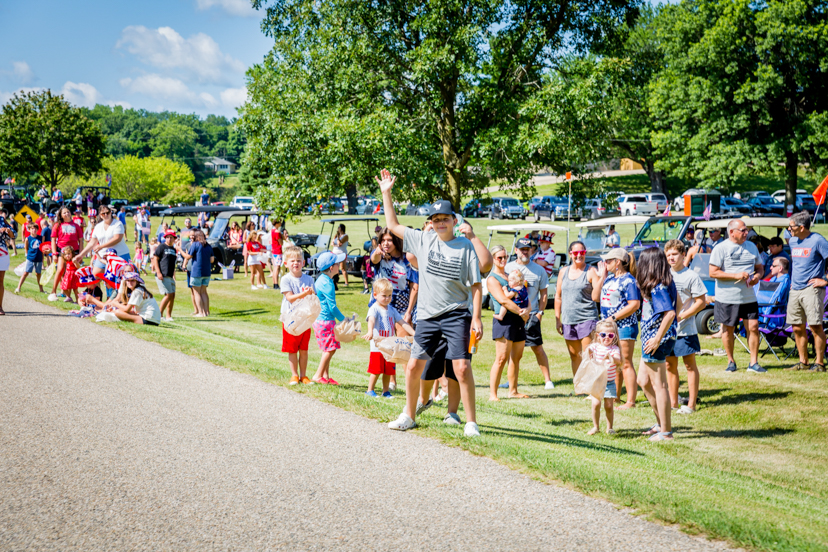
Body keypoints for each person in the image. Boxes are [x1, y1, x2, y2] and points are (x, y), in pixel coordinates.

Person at [379, 170, 482, 437]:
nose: (439, 223)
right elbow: (392, 224)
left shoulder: (464, 247)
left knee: (461, 367)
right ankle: (408, 415)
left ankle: (470, 422)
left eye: (444, 219)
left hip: (457, 315)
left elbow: (476, 285)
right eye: (435, 219)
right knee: (413, 366)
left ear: (453, 220)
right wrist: (386, 192)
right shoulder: (423, 240)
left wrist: (477, 318)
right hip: (427, 317)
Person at [709, 219, 765, 373]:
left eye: (746, 230)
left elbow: (760, 268)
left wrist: (757, 278)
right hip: (727, 297)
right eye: (743, 230)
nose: (746, 233)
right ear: (731, 232)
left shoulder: (752, 247)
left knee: (753, 327)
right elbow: (713, 272)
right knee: (728, 329)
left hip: (749, 297)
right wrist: (736, 276)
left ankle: (753, 363)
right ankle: (731, 361)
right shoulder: (720, 248)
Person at [636, 247, 680, 442]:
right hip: (653, 338)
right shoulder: (664, 283)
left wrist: (657, 338)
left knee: (659, 385)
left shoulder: (659, 286)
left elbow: (670, 313)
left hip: (656, 340)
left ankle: (666, 432)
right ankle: (661, 423)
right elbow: (677, 306)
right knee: (643, 381)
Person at [594, 248, 641, 410]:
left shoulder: (629, 281)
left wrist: (613, 318)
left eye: (608, 261)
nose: (605, 264)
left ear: (617, 262)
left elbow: (634, 304)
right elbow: (595, 297)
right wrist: (601, 277)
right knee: (613, 362)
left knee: (625, 363)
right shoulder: (608, 279)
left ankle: (631, 401)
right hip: (610, 329)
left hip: (624, 326)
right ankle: (615, 397)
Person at [507, 238, 556, 389]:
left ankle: (548, 381)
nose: (525, 252)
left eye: (528, 249)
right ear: (516, 250)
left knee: (537, 347)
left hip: (531, 315)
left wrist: (540, 313)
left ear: (532, 251)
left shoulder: (538, 270)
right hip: (512, 315)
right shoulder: (508, 268)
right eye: (522, 249)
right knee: (511, 350)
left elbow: (544, 294)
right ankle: (510, 381)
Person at [665, 240, 707, 414]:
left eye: (674, 254)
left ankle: (691, 404)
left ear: (683, 255)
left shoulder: (691, 276)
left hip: (686, 329)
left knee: (689, 366)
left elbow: (701, 302)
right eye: (668, 255)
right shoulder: (664, 275)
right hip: (667, 330)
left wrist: (683, 315)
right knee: (669, 366)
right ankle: (673, 402)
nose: (671, 258)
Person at [487, 245, 531, 401]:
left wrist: (528, 310)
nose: (504, 260)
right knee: (501, 358)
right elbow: (503, 300)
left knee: (516, 357)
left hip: (518, 320)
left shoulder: (511, 276)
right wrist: (521, 312)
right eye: (500, 257)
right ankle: (493, 394)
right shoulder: (492, 279)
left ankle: (513, 391)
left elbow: (525, 296)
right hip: (504, 320)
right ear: (493, 258)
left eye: (506, 257)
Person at [785, 212, 828, 371]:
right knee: (796, 326)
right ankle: (803, 362)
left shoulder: (818, 240)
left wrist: (825, 280)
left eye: (791, 226)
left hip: (812, 289)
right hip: (794, 289)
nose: (789, 229)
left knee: (815, 326)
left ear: (802, 227)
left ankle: (819, 363)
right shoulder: (793, 241)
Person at [363, 278, 416, 398]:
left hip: (390, 348)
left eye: (389, 295)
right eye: (384, 296)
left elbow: (402, 323)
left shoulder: (392, 310)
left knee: (388, 370)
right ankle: (370, 390)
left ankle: (385, 391)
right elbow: (371, 320)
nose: (387, 298)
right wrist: (370, 332)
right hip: (378, 347)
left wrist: (414, 333)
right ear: (375, 295)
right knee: (376, 370)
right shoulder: (374, 308)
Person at [555, 241, 602, 376]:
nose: (578, 256)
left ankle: (591, 387)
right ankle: (579, 387)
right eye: (575, 253)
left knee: (588, 355)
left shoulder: (591, 271)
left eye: (581, 252)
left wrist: (602, 276)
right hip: (569, 320)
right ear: (570, 254)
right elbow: (558, 297)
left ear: (585, 253)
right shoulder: (563, 272)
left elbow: (597, 296)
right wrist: (558, 319)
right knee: (574, 355)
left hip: (587, 318)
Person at [280, 245, 316, 385]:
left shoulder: (309, 279)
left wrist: (311, 292)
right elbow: (290, 298)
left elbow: (313, 297)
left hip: (305, 319)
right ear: (286, 263)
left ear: (303, 262)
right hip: (290, 319)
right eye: (292, 260)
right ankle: (294, 375)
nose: (296, 263)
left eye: (299, 260)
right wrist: (305, 293)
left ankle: (303, 375)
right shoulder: (285, 279)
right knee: (292, 349)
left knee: (304, 349)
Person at [311, 251, 347, 384]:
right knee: (330, 349)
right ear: (331, 267)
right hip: (325, 321)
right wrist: (344, 319)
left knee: (328, 349)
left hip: (322, 320)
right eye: (337, 263)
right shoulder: (327, 284)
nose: (340, 265)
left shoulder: (323, 279)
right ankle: (318, 375)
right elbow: (332, 307)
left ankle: (325, 376)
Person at [370, 227, 418, 325]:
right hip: (380, 307)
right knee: (381, 340)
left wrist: (409, 312)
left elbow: (414, 287)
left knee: (402, 340)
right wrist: (377, 252)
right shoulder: (380, 255)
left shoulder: (407, 260)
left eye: (389, 240)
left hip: (402, 308)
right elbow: (374, 259)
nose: (385, 243)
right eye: (383, 240)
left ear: (397, 241)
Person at [584, 319, 621, 436]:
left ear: (614, 336)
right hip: (597, 381)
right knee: (595, 404)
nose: (607, 338)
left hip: (609, 382)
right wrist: (588, 352)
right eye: (603, 335)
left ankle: (610, 428)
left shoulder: (614, 349)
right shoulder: (595, 346)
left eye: (610, 335)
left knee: (609, 406)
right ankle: (596, 426)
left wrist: (611, 357)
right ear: (598, 336)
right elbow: (587, 352)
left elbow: (619, 360)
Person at [84, 271, 161, 325]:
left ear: (137, 281)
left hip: (149, 319)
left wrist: (115, 304)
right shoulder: (138, 290)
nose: (130, 282)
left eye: (132, 281)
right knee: (116, 311)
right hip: (152, 318)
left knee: (117, 312)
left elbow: (126, 309)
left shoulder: (137, 291)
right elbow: (130, 310)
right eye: (128, 281)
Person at [180, 229, 213, 317]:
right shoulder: (208, 246)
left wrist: (180, 250)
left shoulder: (195, 244)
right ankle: (206, 312)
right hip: (207, 272)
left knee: (196, 292)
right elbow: (212, 260)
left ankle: (201, 313)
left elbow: (188, 256)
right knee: (204, 292)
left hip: (197, 272)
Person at [152, 229, 178, 322]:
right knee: (168, 295)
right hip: (162, 274)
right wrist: (158, 272)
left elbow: (172, 264)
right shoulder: (161, 247)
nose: (169, 239)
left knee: (172, 295)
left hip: (170, 275)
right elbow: (155, 259)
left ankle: (168, 316)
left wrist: (174, 276)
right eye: (167, 237)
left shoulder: (174, 249)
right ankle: (159, 314)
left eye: (171, 237)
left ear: (174, 239)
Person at [14, 222, 45, 294]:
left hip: (39, 258)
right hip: (30, 258)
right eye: (32, 229)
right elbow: (26, 248)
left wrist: (43, 258)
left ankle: (41, 289)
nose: (34, 230)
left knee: (38, 274)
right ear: (29, 230)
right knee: (26, 272)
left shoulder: (41, 238)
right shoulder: (28, 239)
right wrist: (28, 255)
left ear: (37, 230)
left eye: (35, 229)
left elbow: (42, 248)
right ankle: (18, 287)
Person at [0, 213, 11, 314]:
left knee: (0, 280)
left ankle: (0, 307)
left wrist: (8, 231)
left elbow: (14, 235)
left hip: (2, 251)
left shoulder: (2, 220)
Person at [270, 220, 284, 289]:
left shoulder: (272, 230)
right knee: (277, 268)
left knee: (275, 267)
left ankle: (275, 283)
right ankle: (276, 284)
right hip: (277, 251)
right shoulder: (277, 232)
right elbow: (281, 243)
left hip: (274, 251)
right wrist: (281, 235)